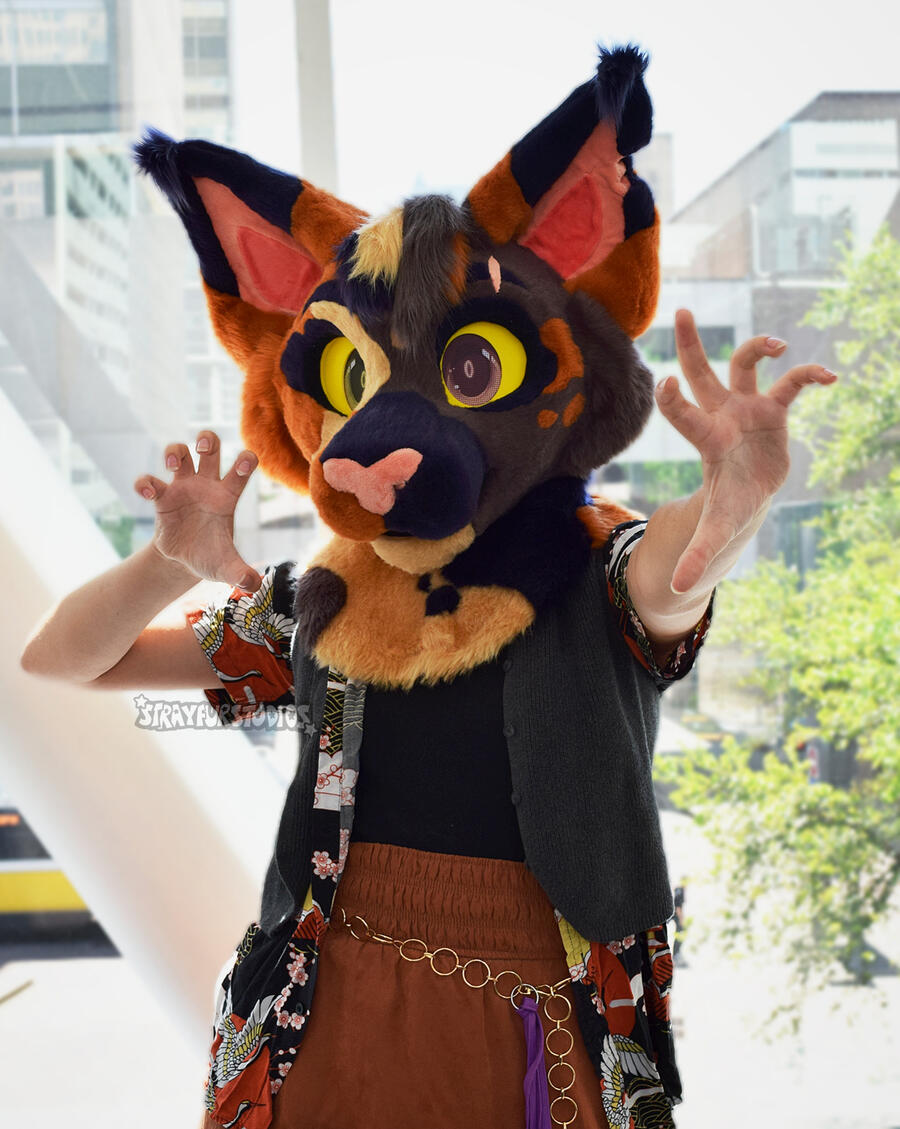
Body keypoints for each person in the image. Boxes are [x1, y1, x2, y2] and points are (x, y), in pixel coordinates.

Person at [19, 44, 836, 1129]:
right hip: (321, 1003)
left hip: (537, 1016)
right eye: (353, 375)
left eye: (464, 369)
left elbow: (670, 580)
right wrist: (163, 560)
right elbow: (63, 659)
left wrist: (730, 502)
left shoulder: (589, 561)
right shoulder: (323, 597)